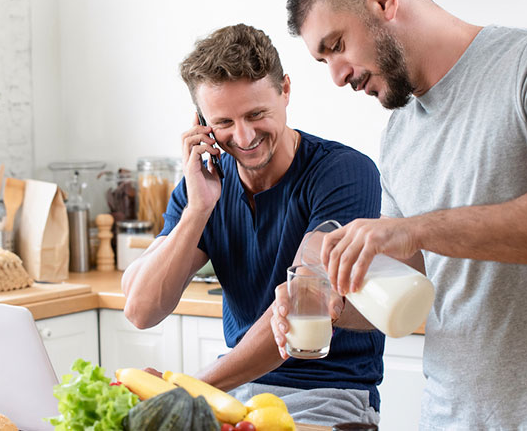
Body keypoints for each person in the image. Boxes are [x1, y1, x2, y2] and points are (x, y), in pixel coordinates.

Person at [271, 0, 527, 429]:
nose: (337, 76)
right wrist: (325, 300)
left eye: (337, 46)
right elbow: (411, 287)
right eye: (323, 60)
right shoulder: (399, 134)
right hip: (450, 417)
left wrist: (413, 229)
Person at [121, 23, 384, 426]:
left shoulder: (344, 172)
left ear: (286, 91)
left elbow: (302, 303)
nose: (243, 137)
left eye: (256, 114)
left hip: (327, 395)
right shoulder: (203, 187)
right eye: (223, 122)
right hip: (235, 392)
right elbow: (140, 311)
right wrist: (197, 210)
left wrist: (188, 391)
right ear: (201, 122)